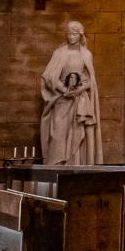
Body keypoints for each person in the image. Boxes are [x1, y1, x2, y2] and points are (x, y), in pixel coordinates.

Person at [40, 21, 103, 165]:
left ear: (80, 35)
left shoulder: (86, 54)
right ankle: (56, 167)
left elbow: (90, 79)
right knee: (58, 135)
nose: (71, 37)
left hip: (79, 100)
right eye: (69, 34)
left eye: (74, 34)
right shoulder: (59, 52)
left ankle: (75, 168)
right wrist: (64, 90)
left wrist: (78, 89)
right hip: (61, 99)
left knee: (79, 133)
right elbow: (49, 76)